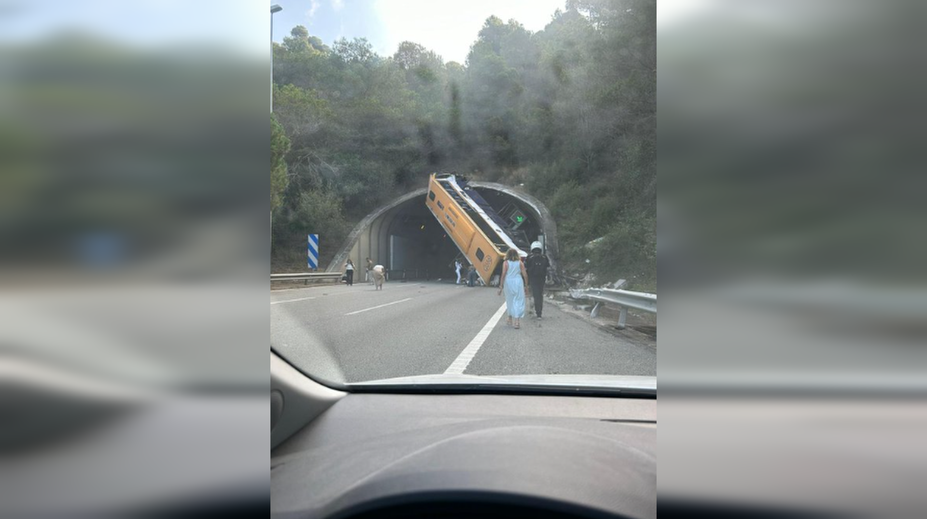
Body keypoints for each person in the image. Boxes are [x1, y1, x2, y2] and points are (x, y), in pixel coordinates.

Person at [497, 248, 528, 329]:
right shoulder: (520, 263)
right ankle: (517, 321)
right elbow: (525, 274)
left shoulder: (506, 263)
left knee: (509, 300)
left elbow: (503, 274)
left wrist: (501, 286)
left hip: (508, 281)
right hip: (518, 281)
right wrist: (526, 285)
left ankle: (510, 317)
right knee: (518, 300)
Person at [525, 241, 550, 319]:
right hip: (542, 278)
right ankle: (539, 312)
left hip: (533, 278)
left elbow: (525, 267)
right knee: (540, 294)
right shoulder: (544, 257)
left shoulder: (529, 257)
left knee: (535, 294)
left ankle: (536, 310)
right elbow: (548, 267)